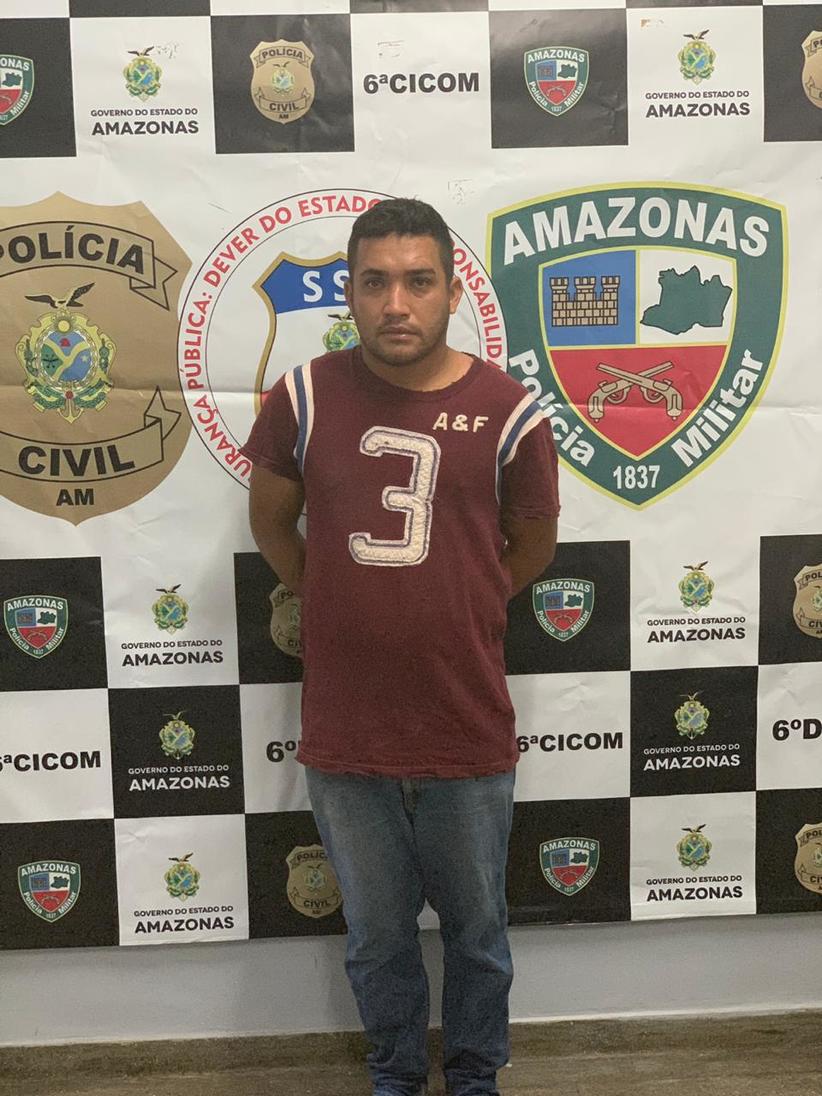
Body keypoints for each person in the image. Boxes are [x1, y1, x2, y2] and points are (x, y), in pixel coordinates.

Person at [241, 198, 559, 1096]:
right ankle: (394, 1076)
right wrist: (333, 595)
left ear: (453, 292)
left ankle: (474, 1076)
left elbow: (534, 543)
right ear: (349, 291)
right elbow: (271, 523)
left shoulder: (509, 409)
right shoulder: (303, 395)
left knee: (478, 933)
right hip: (349, 731)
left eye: (419, 281)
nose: (396, 303)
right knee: (377, 936)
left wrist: (463, 598)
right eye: (374, 282)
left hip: (465, 723)